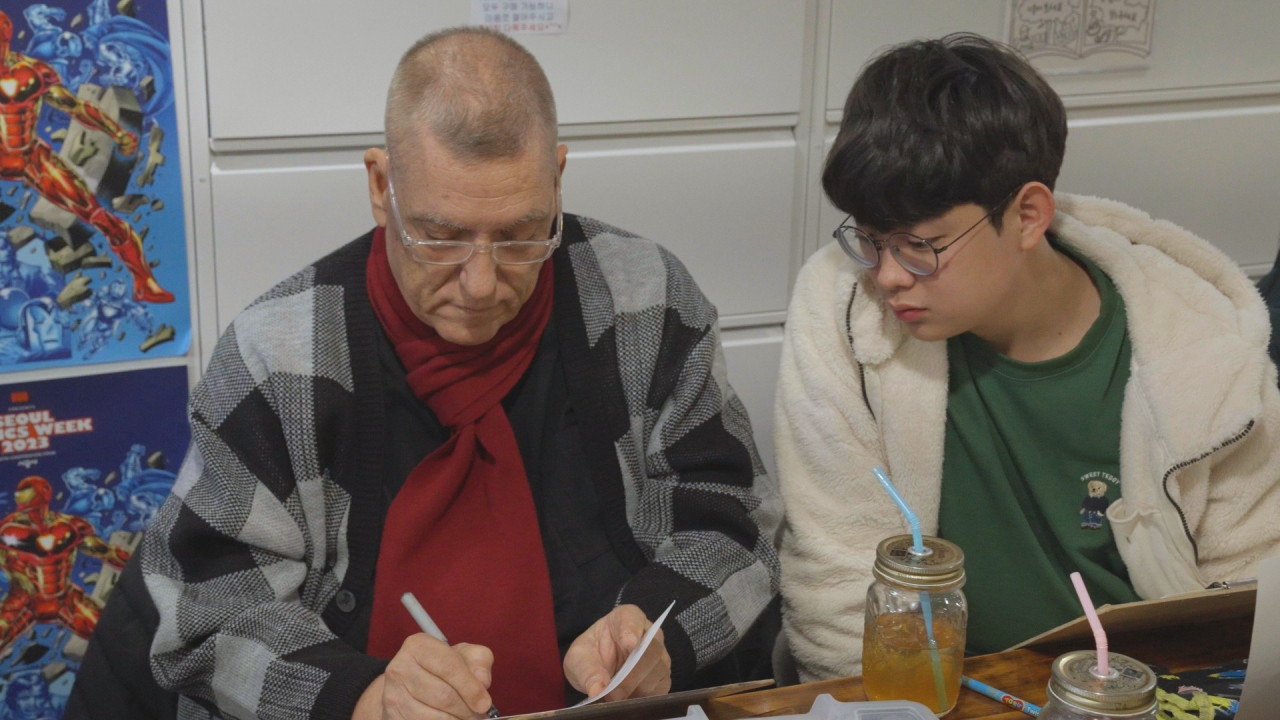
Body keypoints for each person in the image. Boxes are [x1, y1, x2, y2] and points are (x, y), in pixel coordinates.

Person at [67, 27, 780, 720]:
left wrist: (664, 631)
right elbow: (207, 614)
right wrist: (364, 697)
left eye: (521, 234)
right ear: (381, 186)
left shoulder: (646, 301)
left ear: (557, 179)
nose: (481, 283)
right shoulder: (276, 357)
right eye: (440, 236)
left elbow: (734, 514)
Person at [774, 33, 1280, 681]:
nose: (888, 276)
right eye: (869, 240)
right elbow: (837, 576)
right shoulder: (843, 310)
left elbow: (1250, 600)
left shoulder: (1198, 345)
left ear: (1027, 215)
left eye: (919, 245)